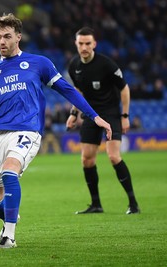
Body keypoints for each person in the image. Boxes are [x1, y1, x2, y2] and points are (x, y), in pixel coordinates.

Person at [0, 13, 112, 249]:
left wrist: (94, 116)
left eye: (7, 36)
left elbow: (67, 90)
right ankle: (10, 215)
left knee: (10, 173)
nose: (2, 41)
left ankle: (8, 236)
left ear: (18, 37)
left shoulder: (38, 63)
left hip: (26, 130)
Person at [66, 27, 140, 215]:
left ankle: (133, 204)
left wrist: (125, 116)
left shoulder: (107, 64)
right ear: (76, 44)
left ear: (94, 44)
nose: (84, 47)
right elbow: (78, 92)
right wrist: (74, 113)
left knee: (114, 156)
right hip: (90, 115)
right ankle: (96, 205)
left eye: (88, 43)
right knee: (87, 160)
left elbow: (124, 89)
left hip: (110, 113)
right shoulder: (74, 65)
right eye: (81, 43)